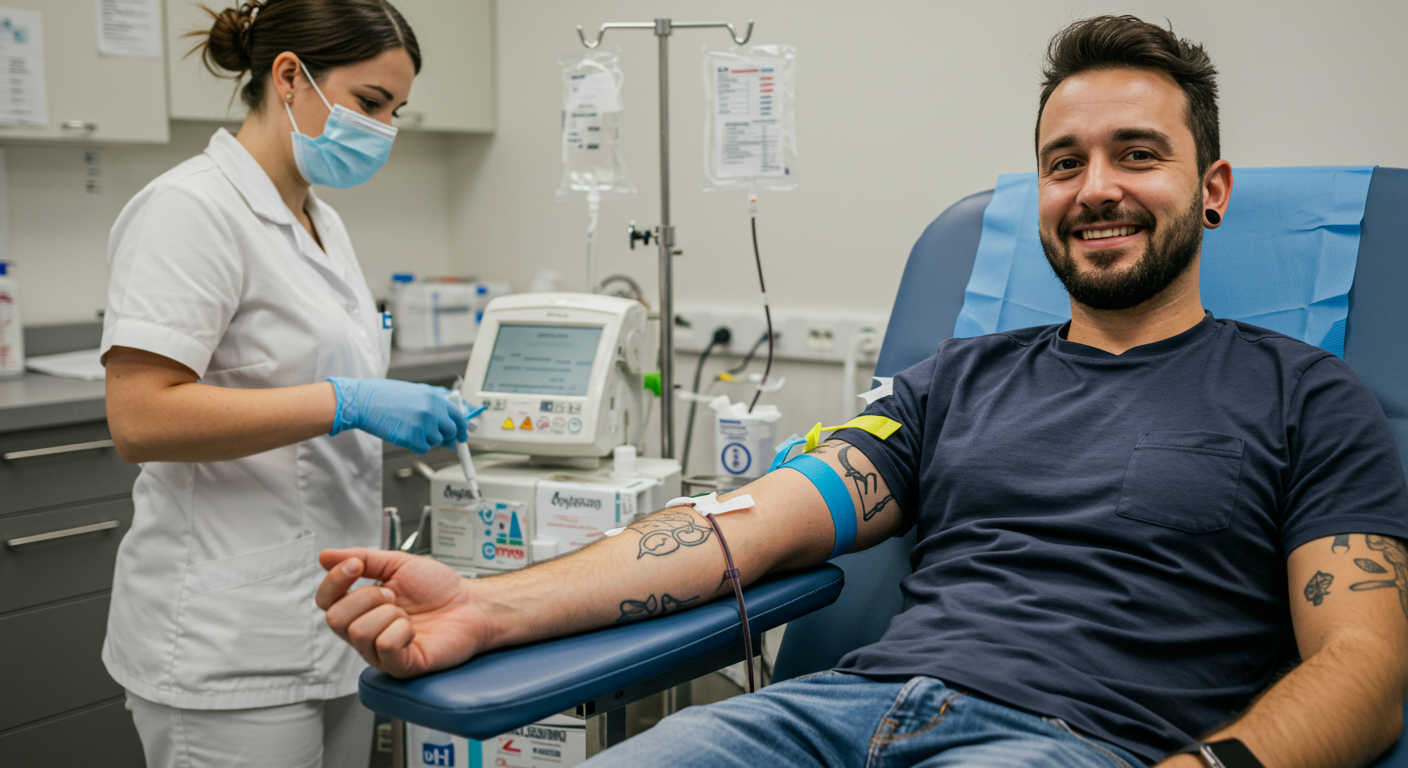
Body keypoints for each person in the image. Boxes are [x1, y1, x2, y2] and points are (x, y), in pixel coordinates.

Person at [317, 16, 1408, 768]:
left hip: (1071, 741)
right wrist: (488, 607)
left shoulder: (1306, 398)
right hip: (829, 718)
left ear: (1210, 190)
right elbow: (743, 528)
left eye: (1137, 155)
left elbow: (1362, 667)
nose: (1097, 188)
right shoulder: (953, 382)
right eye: (1064, 162)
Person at [99, 1, 464, 766]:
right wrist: (348, 402)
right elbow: (139, 418)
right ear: (290, 76)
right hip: (226, 639)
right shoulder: (189, 209)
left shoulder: (321, 222)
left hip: (333, 619)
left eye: (396, 110)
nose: (384, 129)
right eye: (369, 103)